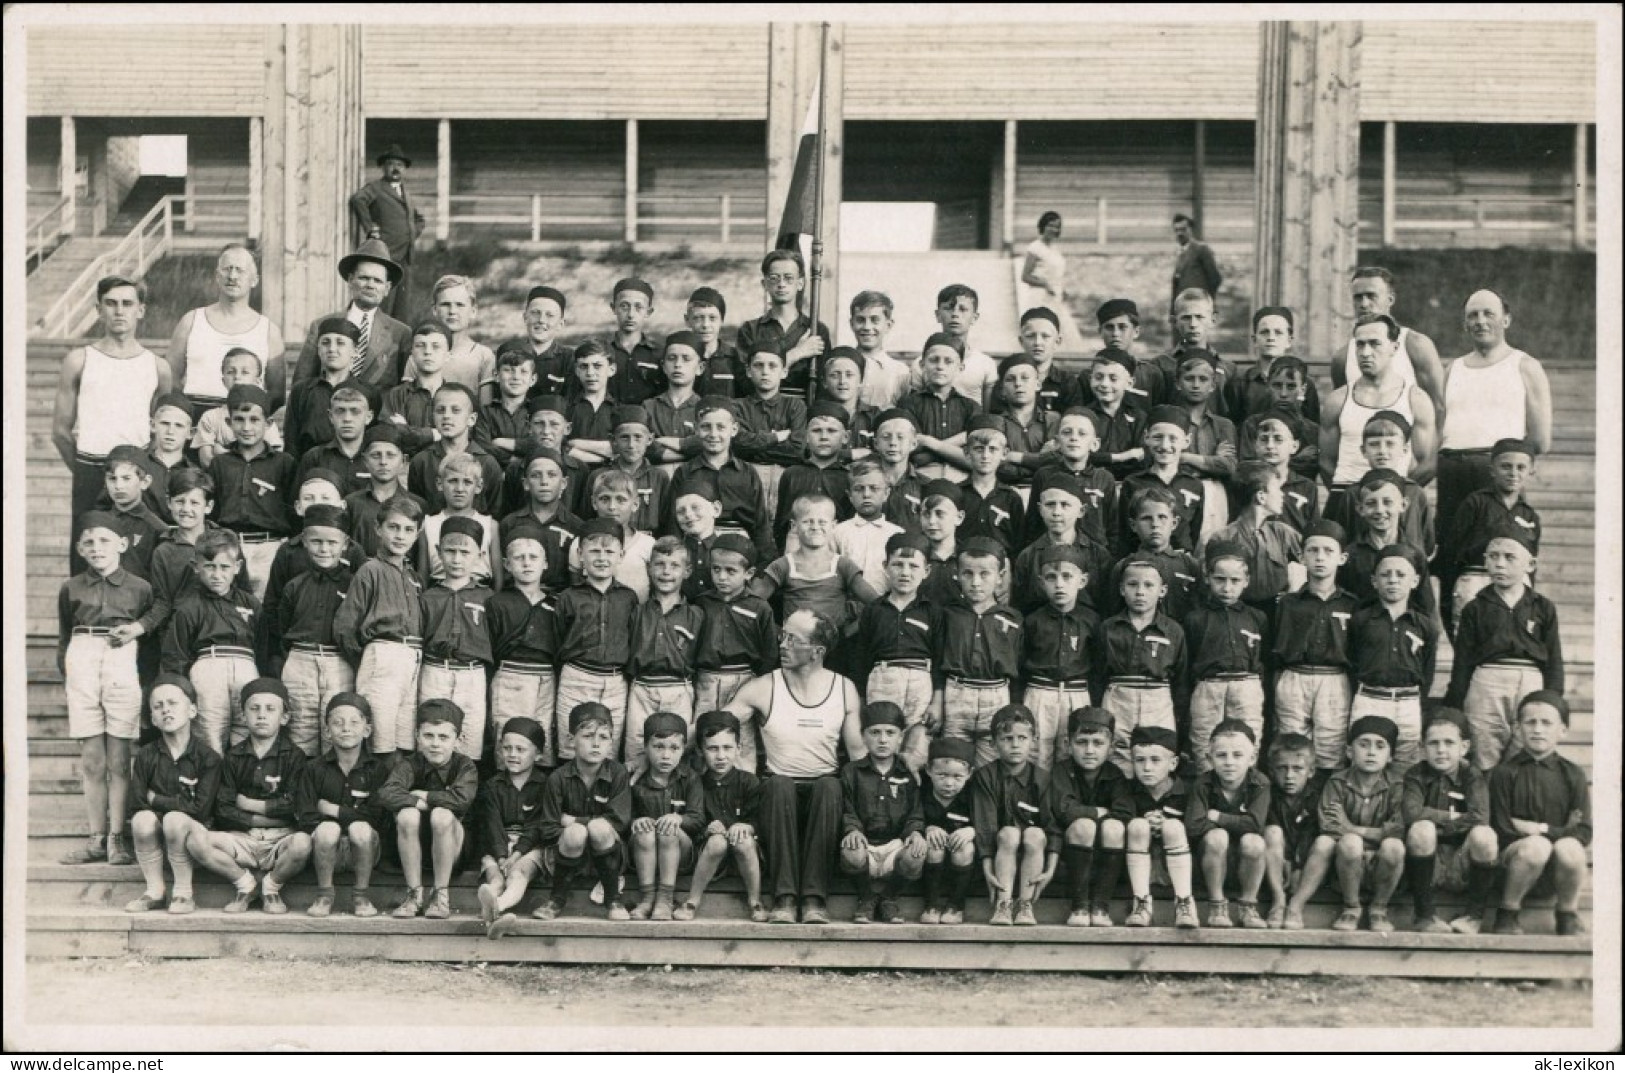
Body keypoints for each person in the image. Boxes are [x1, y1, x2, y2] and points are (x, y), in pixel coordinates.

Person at [724, 608, 864, 925]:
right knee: (778, 784)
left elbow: (858, 757)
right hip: (777, 796)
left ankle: (815, 899)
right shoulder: (764, 686)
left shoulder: (844, 688)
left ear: (817, 651)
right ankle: (784, 898)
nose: (782, 644)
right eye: (782, 636)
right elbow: (720, 723)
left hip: (824, 799)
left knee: (831, 785)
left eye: (792, 639)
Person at [57, 511, 155, 867]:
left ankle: (117, 836)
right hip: (82, 656)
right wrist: (69, 672)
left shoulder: (140, 588)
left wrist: (139, 628)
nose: (97, 548)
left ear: (123, 544)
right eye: (89, 542)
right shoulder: (71, 588)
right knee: (92, 760)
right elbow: (65, 635)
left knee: (118, 758)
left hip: (121, 658)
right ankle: (96, 837)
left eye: (104, 541)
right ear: (80, 549)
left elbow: (155, 617)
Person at [1436, 289, 1554, 559]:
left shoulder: (1524, 366)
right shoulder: (1452, 369)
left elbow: (1540, 440)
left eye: (1489, 313)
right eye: (1472, 316)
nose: (1480, 321)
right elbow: (1440, 430)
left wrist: (1500, 464)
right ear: (1465, 324)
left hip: (1496, 475)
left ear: (1506, 320)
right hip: (1452, 473)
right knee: (1450, 558)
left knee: (1504, 555)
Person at [53, 276, 171, 530]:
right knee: (87, 556)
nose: (119, 310)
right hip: (91, 468)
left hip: (137, 472)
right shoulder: (79, 360)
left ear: (140, 310)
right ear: (98, 310)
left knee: (137, 557)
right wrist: (86, 474)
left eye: (127, 303)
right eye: (111, 303)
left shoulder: (157, 367)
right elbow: (60, 432)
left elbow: (162, 430)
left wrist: (142, 470)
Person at [1444, 526, 1564, 771]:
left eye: (1509, 557)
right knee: (1484, 751)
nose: (1500, 564)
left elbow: (1553, 658)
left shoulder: (1542, 607)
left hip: (1530, 681)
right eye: (1493, 556)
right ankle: (1485, 807)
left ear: (1529, 565)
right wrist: (1455, 701)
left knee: (1526, 753)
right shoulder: (1475, 608)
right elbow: (1463, 661)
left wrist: (1553, 699)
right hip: (1487, 682)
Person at [191, 678, 311, 915]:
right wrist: (264, 818)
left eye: (270, 709)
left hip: (281, 838)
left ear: (284, 717)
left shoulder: (295, 756)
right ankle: (245, 883)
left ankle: (272, 885)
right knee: (196, 840)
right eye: (254, 709)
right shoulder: (233, 757)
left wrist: (248, 804)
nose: (262, 715)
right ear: (244, 716)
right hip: (243, 837)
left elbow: (294, 805)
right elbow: (223, 808)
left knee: (303, 843)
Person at [1286, 715, 1406, 933]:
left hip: (1382, 866)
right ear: (1350, 752)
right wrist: (1366, 834)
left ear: (1390, 756)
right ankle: (1351, 907)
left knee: (1394, 846)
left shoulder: (1396, 785)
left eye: (1380, 746)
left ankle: (1379, 908)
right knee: (1348, 843)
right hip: (1344, 864)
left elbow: (1398, 830)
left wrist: (1351, 828)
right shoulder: (1337, 782)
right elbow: (1331, 826)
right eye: (1363, 744)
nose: (1371, 752)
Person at [1488, 691, 1590, 937]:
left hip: (1556, 871)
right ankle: (1507, 913)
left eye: (1547, 723)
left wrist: (1541, 829)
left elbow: (1583, 831)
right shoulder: (1504, 773)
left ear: (1562, 731)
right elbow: (1502, 828)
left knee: (1571, 848)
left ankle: (1567, 914)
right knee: (1536, 847)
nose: (1538, 729)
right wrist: (1554, 832)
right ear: (1517, 728)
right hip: (1516, 865)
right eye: (1530, 722)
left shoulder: (1573, 774)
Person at [333, 494, 426, 758]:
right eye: (393, 527)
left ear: (417, 534)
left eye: (408, 530)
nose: (400, 536)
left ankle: (396, 794)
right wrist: (368, 657)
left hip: (412, 657)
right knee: (380, 737)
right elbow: (345, 626)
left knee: (405, 738)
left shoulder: (413, 577)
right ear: (378, 529)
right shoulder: (370, 570)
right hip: (383, 654)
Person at [122, 675, 223, 915]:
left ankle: (183, 893)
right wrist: (172, 805)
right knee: (142, 820)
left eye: (173, 703)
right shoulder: (146, 756)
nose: (165, 710)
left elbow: (201, 809)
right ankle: (155, 890)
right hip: (160, 832)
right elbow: (137, 803)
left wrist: (157, 800)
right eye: (158, 706)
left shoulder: (208, 758)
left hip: (194, 835)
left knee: (174, 820)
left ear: (192, 710)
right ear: (153, 719)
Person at [1320, 313, 1439, 512]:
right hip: (1347, 495)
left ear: (1394, 347)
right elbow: (1325, 462)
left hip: (1394, 502)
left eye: (1375, 343)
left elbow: (1427, 463)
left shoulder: (1415, 399)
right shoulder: (1338, 399)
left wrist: (1395, 492)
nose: (1365, 352)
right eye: (1360, 344)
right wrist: (1354, 497)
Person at [160, 530, 263, 754]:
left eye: (225, 567)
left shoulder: (250, 604)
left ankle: (242, 787)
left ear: (237, 567)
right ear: (196, 567)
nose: (217, 574)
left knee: (248, 736)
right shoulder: (189, 608)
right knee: (210, 736)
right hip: (209, 667)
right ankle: (212, 786)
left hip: (246, 667)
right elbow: (176, 655)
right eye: (209, 567)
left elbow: (263, 644)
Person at [378, 699, 480, 920]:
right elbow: (387, 793)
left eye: (443, 737)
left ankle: (441, 895)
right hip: (412, 847)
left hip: (454, 848)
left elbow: (461, 800)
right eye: (428, 736)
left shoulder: (464, 765)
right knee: (407, 814)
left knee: (442, 815)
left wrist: (425, 795)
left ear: (457, 740)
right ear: (417, 737)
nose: (435, 744)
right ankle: (414, 894)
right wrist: (418, 804)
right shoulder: (409, 764)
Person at [532, 702, 634, 921]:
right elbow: (548, 828)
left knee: (598, 827)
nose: (596, 744)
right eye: (588, 736)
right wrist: (576, 828)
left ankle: (613, 899)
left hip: (609, 857)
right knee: (576, 832)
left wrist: (574, 820)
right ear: (571, 740)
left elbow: (619, 822)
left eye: (604, 738)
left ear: (611, 742)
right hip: (566, 857)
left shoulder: (618, 773)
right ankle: (556, 899)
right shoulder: (558, 778)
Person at [290, 693, 389, 918]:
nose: (346, 728)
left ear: (367, 730)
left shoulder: (377, 769)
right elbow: (306, 816)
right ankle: (324, 894)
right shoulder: (314, 769)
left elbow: (377, 817)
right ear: (326, 731)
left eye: (354, 722)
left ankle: (361, 895)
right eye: (337, 722)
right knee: (328, 829)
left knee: (360, 829)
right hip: (324, 850)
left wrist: (333, 810)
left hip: (365, 849)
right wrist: (347, 818)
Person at [1271, 519, 1360, 771]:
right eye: (1313, 550)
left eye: (1328, 551)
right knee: (1291, 748)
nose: (1320, 557)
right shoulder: (1288, 603)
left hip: (1333, 681)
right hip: (1294, 678)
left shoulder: (1351, 605)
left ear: (1341, 558)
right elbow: (1277, 651)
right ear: (1301, 556)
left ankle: (1323, 804)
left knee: (1331, 748)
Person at [1401, 709, 1499, 935]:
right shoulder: (1415, 774)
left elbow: (1480, 817)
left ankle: (1474, 916)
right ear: (1422, 747)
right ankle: (1424, 915)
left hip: (1462, 861)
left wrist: (1438, 821)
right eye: (1433, 743)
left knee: (1484, 835)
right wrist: (1452, 818)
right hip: (1429, 860)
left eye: (1449, 743)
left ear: (1463, 747)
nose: (1441, 750)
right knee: (1421, 829)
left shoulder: (1472, 775)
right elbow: (1411, 814)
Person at [271, 504, 357, 757]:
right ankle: (302, 790)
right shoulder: (294, 585)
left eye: (332, 542)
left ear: (345, 544)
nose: (324, 549)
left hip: (339, 661)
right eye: (316, 541)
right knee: (300, 730)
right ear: (305, 542)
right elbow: (282, 626)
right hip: (301, 661)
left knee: (338, 726)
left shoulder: (355, 584)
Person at [553, 518, 639, 759]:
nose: (602, 557)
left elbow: (632, 638)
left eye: (609, 551)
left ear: (621, 555)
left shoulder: (628, 598)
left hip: (614, 681)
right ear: (580, 554)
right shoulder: (569, 597)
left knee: (606, 750)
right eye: (594, 551)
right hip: (576, 678)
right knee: (571, 748)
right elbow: (559, 638)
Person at [1348, 543, 1437, 770]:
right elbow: (1352, 660)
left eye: (1401, 574)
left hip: (1408, 702)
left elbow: (1427, 670)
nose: (1393, 580)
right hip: (1370, 698)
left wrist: (1416, 701)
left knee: (1405, 766)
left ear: (1415, 581)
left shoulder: (1424, 626)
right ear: (1374, 581)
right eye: (1385, 574)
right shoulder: (1361, 620)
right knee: (1365, 762)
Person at [1438, 438, 1543, 631]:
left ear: (1531, 471)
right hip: (1475, 577)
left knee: (1511, 634)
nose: (1513, 473)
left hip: (1515, 582)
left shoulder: (1529, 515)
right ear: (1492, 470)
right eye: (1506, 467)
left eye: (1521, 467)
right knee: (1469, 635)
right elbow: (1452, 549)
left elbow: (1530, 561)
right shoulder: (1476, 503)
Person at [936, 539, 1024, 768]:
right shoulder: (948, 614)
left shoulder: (1012, 619)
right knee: (954, 764)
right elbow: (937, 660)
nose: (975, 582)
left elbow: (1019, 667)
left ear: (1000, 576)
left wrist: (1014, 707)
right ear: (957, 575)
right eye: (967, 574)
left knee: (991, 767)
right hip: (957, 693)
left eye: (985, 574)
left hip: (996, 694)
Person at [838, 702, 927, 925]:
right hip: (865, 843)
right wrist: (852, 830)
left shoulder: (908, 773)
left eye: (890, 733)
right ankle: (866, 897)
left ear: (901, 737)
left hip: (894, 846)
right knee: (852, 850)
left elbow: (915, 811)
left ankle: (889, 898)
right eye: (874, 733)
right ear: (863, 736)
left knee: (917, 853)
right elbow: (846, 807)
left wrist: (915, 833)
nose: (883, 739)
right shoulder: (852, 771)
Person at [165, 244, 285, 409]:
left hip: (244, 420)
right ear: (217, 276)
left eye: (240, 270)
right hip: (194, 416)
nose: (232, 276)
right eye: (227, 269)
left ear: (254, 280)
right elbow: (170, 378)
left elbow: (277, 393)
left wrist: (247, 419)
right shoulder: (191, 321)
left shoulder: (269, 331)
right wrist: (185, 415)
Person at [1182, 542, 1269, 767]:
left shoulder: (1257, 617)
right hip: (1208, 687)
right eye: (1220, 579)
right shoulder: (1195, 619)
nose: (1227, 588)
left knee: (1248, 743)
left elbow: (1263, 657)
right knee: (1204, 746)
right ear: (1208, 577)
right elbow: (1189, 660)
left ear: (1246, 582)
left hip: (1246, 686)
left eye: (1235, 581)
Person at [418, 515, 495, 761]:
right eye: (450, 551)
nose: (457, 559)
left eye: (465, 552)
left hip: (472, 674)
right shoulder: (428, 596)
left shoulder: (488, 598)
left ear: (480, 556)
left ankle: (462, 796)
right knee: (432, 737)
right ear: (439, 552)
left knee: (469, 740)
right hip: (435, 671)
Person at [623, 540, 704, 773]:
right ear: (649, 568)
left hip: (679, 689)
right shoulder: (637, 612)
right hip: (641, 689)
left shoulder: (696, 615)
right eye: (659, 564)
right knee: (637, 751)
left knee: (676, 752)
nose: (666, 572)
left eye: (674, 565)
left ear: (687, 571)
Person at [971, 704, 1055, 926]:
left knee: (1035, 833)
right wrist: (988, 870)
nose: (1015, 745)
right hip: (1000, 854)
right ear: (993, 743)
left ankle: (1025, 905)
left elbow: (1053, 826)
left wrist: (1051, 869)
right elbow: (985, 826)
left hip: (1033, 854)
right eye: (1007, 738)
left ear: (1034, 741)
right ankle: (1003, 904)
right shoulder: (985, 777)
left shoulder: (1042, 779)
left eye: (1022, 738)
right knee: (1009, 833)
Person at [1046, 706, 1130, 927]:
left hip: (1105, 849)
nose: (1089, 750)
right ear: (1068, 744)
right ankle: (1080, 906)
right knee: (1083, 826)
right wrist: (1097, 812)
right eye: (1082, 742)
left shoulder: (1115, 774)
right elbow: (1064, 811)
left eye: (1098, 743)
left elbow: (1125, 812)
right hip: (1070, 847)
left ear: (1111, 748)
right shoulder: (1061, 771)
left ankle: (1101, 906)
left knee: (1115, 828)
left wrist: (1099, 819)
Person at [679, 710, 767, 922]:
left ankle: (755, 901)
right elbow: (692, 819)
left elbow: (759, 819)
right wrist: (707, 828)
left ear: (738, 749)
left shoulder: (749, 782)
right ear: (700, 750)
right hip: (709, 855)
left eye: (727, 748)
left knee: (744, 840)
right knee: (717, 841)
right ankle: (692, 901)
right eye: (712, 748)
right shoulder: (695, 783)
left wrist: (746, 826)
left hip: (743, 857)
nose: (721, 756)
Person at [290, 238, 410, 390]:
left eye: (377, 281)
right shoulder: (321, 326)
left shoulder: (400, 334)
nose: (370, 285)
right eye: (364, 278)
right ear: (350, 280)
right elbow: (301, 385)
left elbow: (404, 392)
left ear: (387, 288)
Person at [1185, 719, 1271, 929]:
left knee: (1255, 842)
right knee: (1217, 837)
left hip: (1247, 862)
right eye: (1221, 755)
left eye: (1238, 755)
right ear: (1209, 758)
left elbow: (1255, 825)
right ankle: (1217, 906)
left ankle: (1248, 906)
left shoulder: (1260, 783)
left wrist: (1217, 817)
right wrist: (1233, 825)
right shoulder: (1203, 784)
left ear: (1252, 758)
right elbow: (1194, 826)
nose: (1229, 762)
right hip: (1210, 859)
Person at [1114, 725, 1200, 928]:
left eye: (1155, 760)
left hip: (1180, 868)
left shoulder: (1187, 791)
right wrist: (1143, 821)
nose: (1147, 768)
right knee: (1137, 826)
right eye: (1140, 760)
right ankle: (1141, 903)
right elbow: (1118, 816)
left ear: (1173, 763)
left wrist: (1169, 822)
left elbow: (1199, 827)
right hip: (1140, 868)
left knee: (1173, 827)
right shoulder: (1128, 790)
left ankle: (1184, 903)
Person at [1333, 266, 1446, 415]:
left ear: (1390, 299)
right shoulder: (1343, 357)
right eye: (1358, 297)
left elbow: (1439, 407)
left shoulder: (1415, 345)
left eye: (1371, 296)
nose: (1364, 304)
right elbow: (1342, 412)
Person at [475, 716, 551, 938]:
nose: (513, 754)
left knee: (518, 874)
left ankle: (496, 908)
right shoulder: (492, 785)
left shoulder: (546, 784)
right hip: (498, 844)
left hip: (530, 847)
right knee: (495, 877)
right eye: (507, 748)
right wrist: (500, 856)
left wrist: (517, 853)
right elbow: (492, 823)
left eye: (520, 749)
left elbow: (539, 824)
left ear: (537, 754)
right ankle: (495, 909)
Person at [625, 712, 705, 921]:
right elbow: (621, 817)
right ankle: (647, 897)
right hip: (642, 852)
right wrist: (635, 821)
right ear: (645, 747)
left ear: (683, 749)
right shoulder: (634, 780)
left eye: (674, 748)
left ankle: (665, 898)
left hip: (681, 853)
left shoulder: (690, 779)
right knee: (644, 832)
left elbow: (698, 819)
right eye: (658, 747)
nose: (666, 755)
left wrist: (679, 819)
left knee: (668, 831)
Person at [735, 250, 832, 403]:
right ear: (764, 284)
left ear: (800, 283)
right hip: (760, 408)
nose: (781, 284)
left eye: (788, 278)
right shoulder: (750, 330)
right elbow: (744, 383)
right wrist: (797, 353)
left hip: (805, 410)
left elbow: (825, 383)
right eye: (774, 278)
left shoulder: (816, 330)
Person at [349, 144, 425, 318]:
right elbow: (358, 199)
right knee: (383, 301)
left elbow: (419, 219)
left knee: (402, 305)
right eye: (391, 164)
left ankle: (398, 342)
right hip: (387, 254)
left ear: (404, 169)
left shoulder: (405, 191)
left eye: (399, 165)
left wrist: (412, 233)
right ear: (384, 167)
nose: (395, 168)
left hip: (405, 256)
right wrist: (370, 227)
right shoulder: (377, 187)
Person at [1261, 733, 1324, 929]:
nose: (1289, 776)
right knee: (1272, 831)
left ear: (1311, 771)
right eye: (1282, 768)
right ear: (1271, 771)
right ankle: (1278, 900)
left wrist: (1298, 866)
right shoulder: (1265, 793)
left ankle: (1296, 905)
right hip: (1274, 864)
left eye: (1297, 769)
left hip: (1307, 866)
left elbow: (1312, 833)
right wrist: (1286, 859)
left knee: (1325, 844)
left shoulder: (1317, 796)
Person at [1170, 213, 1221, 308]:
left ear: (1191, 230)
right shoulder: (1180, 254)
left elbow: (1215, 278)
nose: (1179, 234)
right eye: (1176, 230)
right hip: (1183, 308)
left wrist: (1205, 302)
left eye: (1183, 229)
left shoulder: (1201, 249)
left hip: (1199, 307)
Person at [1021, 211, 1068, 308]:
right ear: (1043, 227)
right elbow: (1025, 276)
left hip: (1055, 297)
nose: (1053, 229)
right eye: (1050, 226)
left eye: (1056, 227)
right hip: (1039, 297)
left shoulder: (1054, 249)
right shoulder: (1035, 247)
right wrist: (1045, 284)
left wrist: (1061, 289)